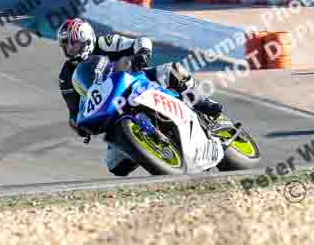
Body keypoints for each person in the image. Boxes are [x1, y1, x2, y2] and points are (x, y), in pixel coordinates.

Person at [56, 18, 224, 175]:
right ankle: (150, 150)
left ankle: (202, 102)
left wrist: (142, 53)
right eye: (66, 46)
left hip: (137, 81)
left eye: (74, 44)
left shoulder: (104, 43)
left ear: (87, 39)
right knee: (115, 165)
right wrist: (80, 127)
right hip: (112, 109)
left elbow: (140, 41)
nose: (70, 50)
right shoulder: (66, 76)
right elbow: (74, 109)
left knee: (172, 70)